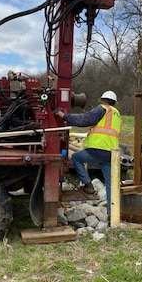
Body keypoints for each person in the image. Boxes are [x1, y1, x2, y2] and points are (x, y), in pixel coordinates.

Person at [55, 91, 122, 219]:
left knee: (76, 157)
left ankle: (88, 185)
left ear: (103, 100)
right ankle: (112, 214)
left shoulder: (102, 109)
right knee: (110, 184)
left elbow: (83, 119)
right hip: (111, 153)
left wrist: (64, 116)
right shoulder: (117, 114)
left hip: (97, 150)